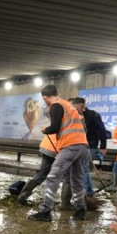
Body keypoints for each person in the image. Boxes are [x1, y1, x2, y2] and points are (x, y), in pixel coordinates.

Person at [28, 85, 89, 222]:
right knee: (77, 179)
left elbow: (54, 128)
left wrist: (45, 130)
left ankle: (45, 211)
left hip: (70, 147)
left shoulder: (55, 106)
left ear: (45, 97)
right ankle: (81, 210)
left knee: (52, 177)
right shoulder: (68, 105)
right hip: (82, 146)